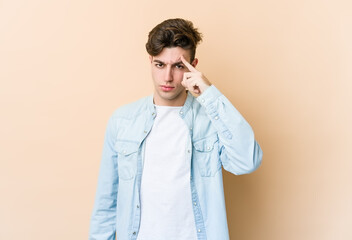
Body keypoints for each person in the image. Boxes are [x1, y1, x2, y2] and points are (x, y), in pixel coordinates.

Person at [89, 18, 263, 240]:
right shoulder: (123, 121)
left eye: (178, 66)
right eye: (160, 65)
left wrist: (210, 94)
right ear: (150, 61)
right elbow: (107, 202)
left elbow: (247, 161)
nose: (168, 77)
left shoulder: (211, 120)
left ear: (193, 66)